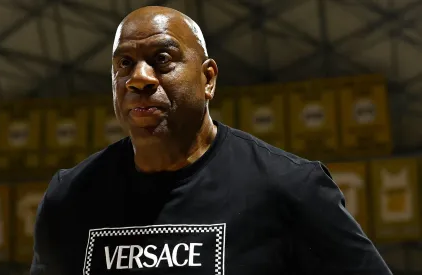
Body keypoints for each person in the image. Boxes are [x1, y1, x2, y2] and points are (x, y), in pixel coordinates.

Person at [30, 6, 392, 275]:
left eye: (162, 59)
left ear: (208, 79)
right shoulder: (71, 196)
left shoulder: (291, 186)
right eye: (124, 64)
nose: (138, 78)